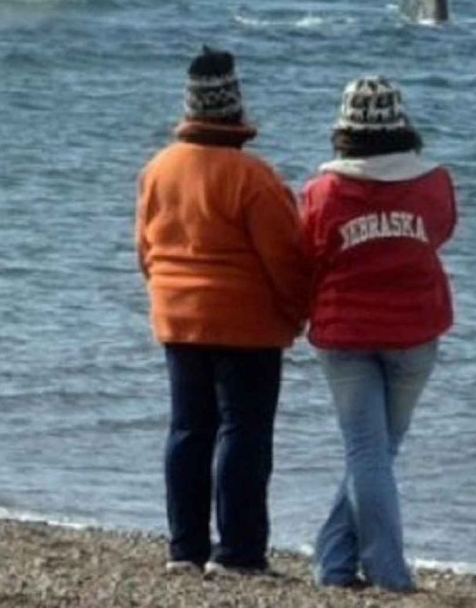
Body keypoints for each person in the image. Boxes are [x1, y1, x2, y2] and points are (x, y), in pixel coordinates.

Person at [135, 46, 312, 577]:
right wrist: (296, 314)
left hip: (178, 316)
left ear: (189, 110)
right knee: (244, 431)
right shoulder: (252, 177)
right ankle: (237, 552)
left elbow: (145, 250)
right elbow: (287, 258)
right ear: (235, 108)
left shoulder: (158, 170)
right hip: (247, 323)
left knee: (189, 430)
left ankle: (184, 549)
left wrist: (168, 294)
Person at [299, 76, 458, 591]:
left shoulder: (323, 191)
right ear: (401, 124)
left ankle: (336, 563)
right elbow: (442, 230)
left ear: (343, 130)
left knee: (369, 452)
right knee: (378, 451)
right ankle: (385, 573)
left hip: (345, 333)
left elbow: (310, 251)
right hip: (415, 330)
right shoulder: (434, 182)